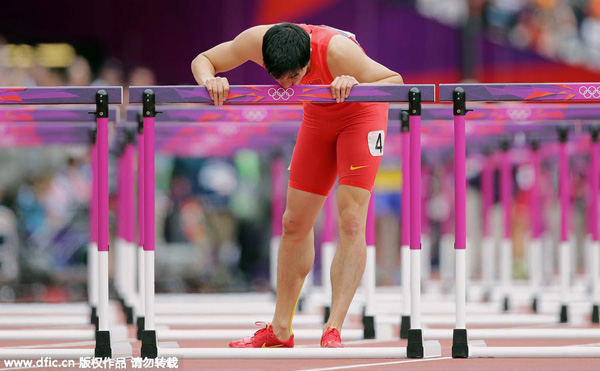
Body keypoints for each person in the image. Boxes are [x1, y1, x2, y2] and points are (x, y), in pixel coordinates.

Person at [191, 23, 403, 348]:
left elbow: (395, 81)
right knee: (293, 223)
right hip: (319, 115)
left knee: (351, 220)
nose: (286, 85)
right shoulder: (256, 40)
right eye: (279, 78)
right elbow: (204, 58)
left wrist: (356, 82)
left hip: (361, 114)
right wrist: (210, 80)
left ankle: (333, 327)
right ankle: (280, 329)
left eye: (294, 77)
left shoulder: (337, 51)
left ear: (306, 59)